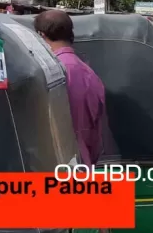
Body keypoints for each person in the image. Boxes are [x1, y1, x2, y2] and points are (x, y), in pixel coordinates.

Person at [34, 10, 106, 167]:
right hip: (81, 168)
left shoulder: (45, 72)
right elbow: (97, 136)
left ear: (41, 35)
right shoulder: (90, 75)